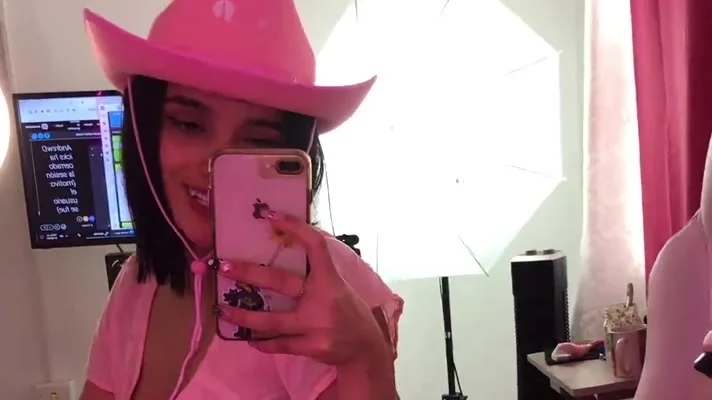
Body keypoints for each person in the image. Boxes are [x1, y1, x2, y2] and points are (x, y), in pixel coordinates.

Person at [79, 0, 404, 399]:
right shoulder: (137, 280)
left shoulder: (319, 289)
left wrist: (364, 356)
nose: (213, 165)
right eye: (189, 124)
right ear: (144, 130)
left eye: (258, 139)